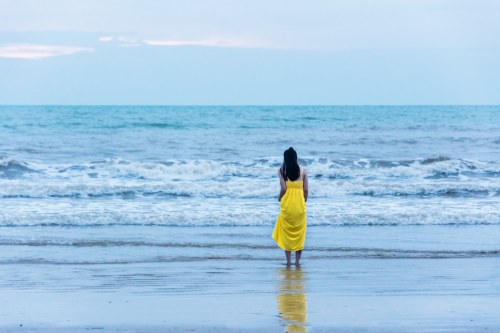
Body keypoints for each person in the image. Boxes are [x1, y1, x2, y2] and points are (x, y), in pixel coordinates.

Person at [272, 147, 308, 266]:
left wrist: (279, 198)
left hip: (287, 207)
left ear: (285, 159)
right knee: (299, 234)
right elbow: (306, 190)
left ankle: (288, 262)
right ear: (296, 158)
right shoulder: (303, 171)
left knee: (286, 234)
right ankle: (297, 262)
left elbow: (283, 189)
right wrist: (304, 202)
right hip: (300, 207)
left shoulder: (282, 171)